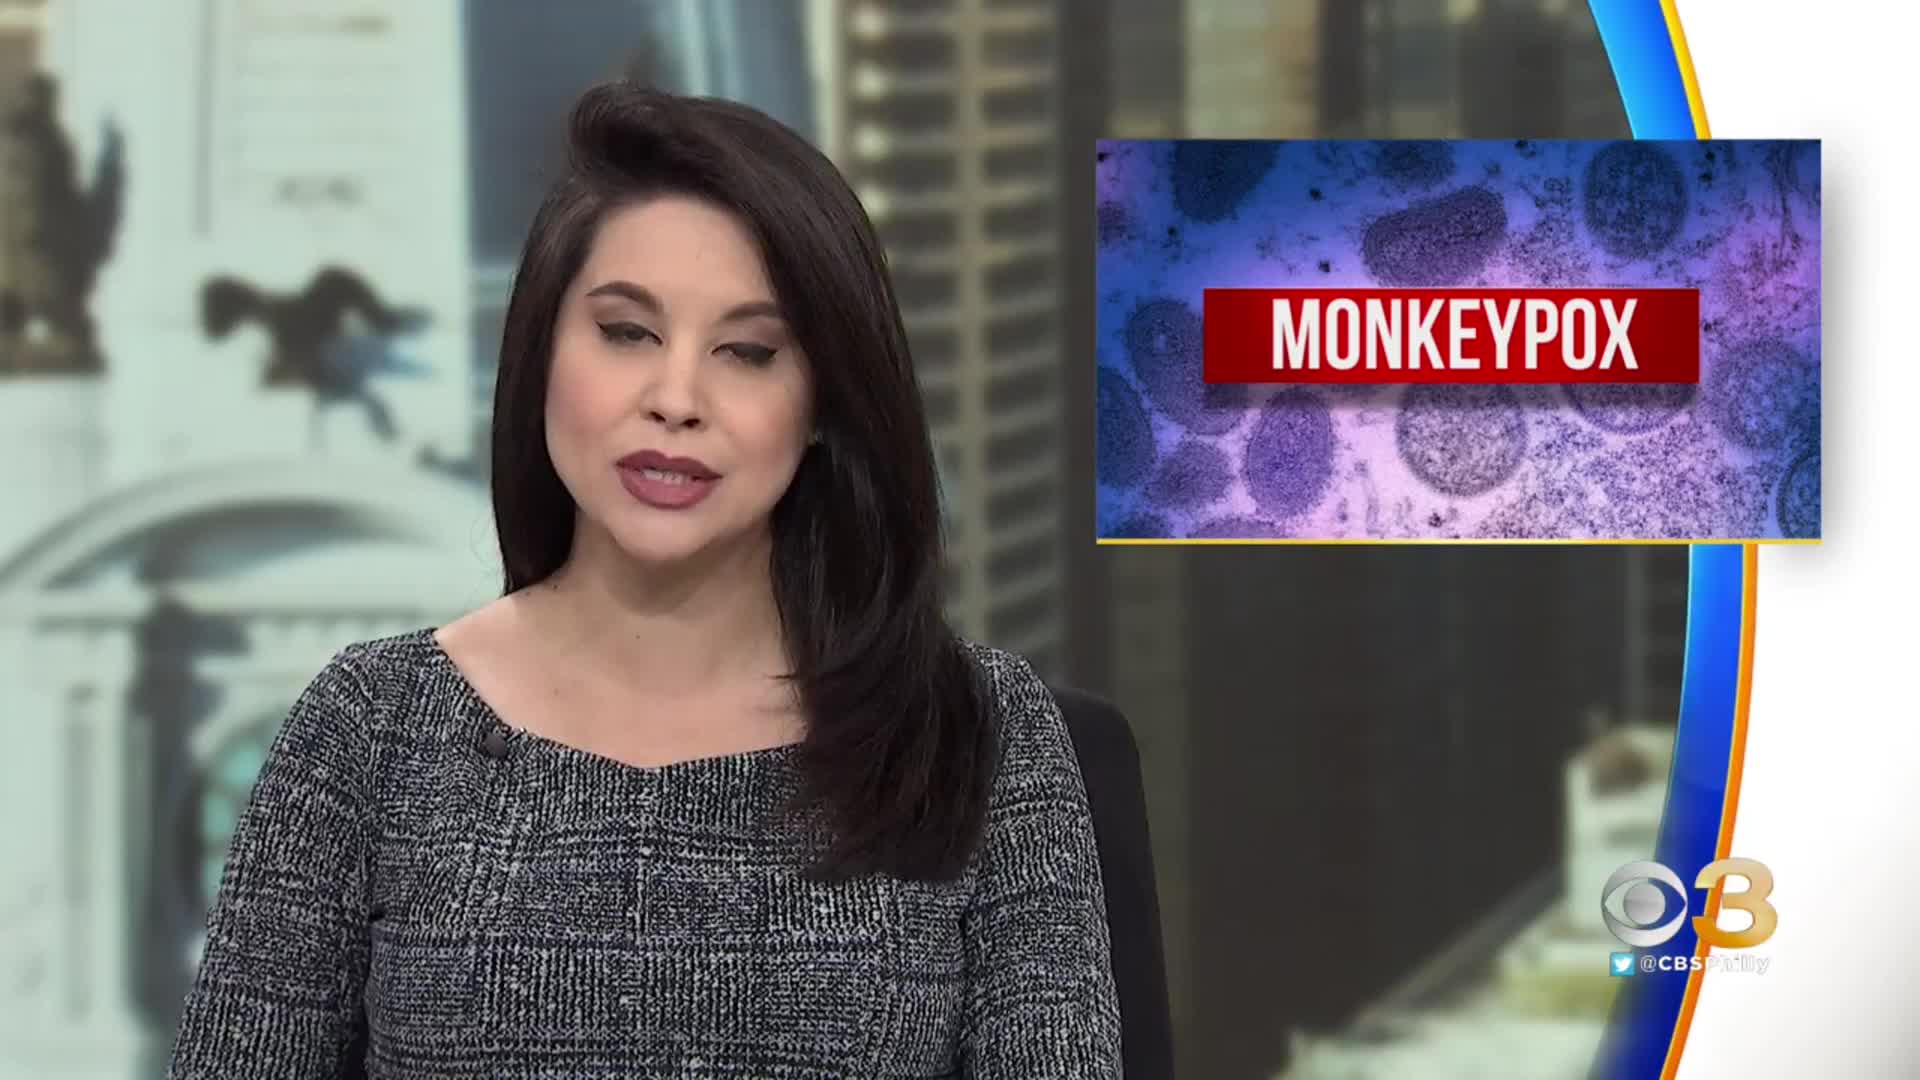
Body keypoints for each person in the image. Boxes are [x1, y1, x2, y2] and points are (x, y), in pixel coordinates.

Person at [165, 82, 1122, 1078]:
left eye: (747, 352)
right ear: (541, 351)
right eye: (626, 333)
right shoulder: (374, 729)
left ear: (823, 405)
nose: (676, 400)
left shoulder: (975, 733)